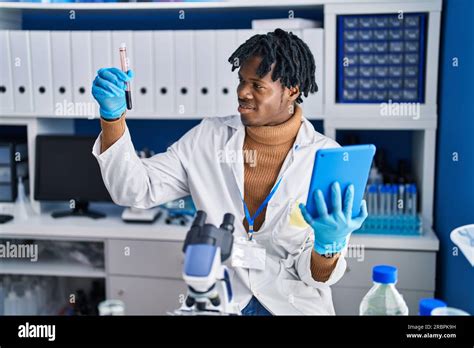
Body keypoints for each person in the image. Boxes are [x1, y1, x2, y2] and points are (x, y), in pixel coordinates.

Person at [91, 28, 367, 315]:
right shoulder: (208, 138)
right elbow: (133, 190)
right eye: (241, 81)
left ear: (292, 90)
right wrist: (112, 119)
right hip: (221, 299)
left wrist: (328, 246)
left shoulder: (326, 157)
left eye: (257, 86)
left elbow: (317, 277)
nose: (242, 93)